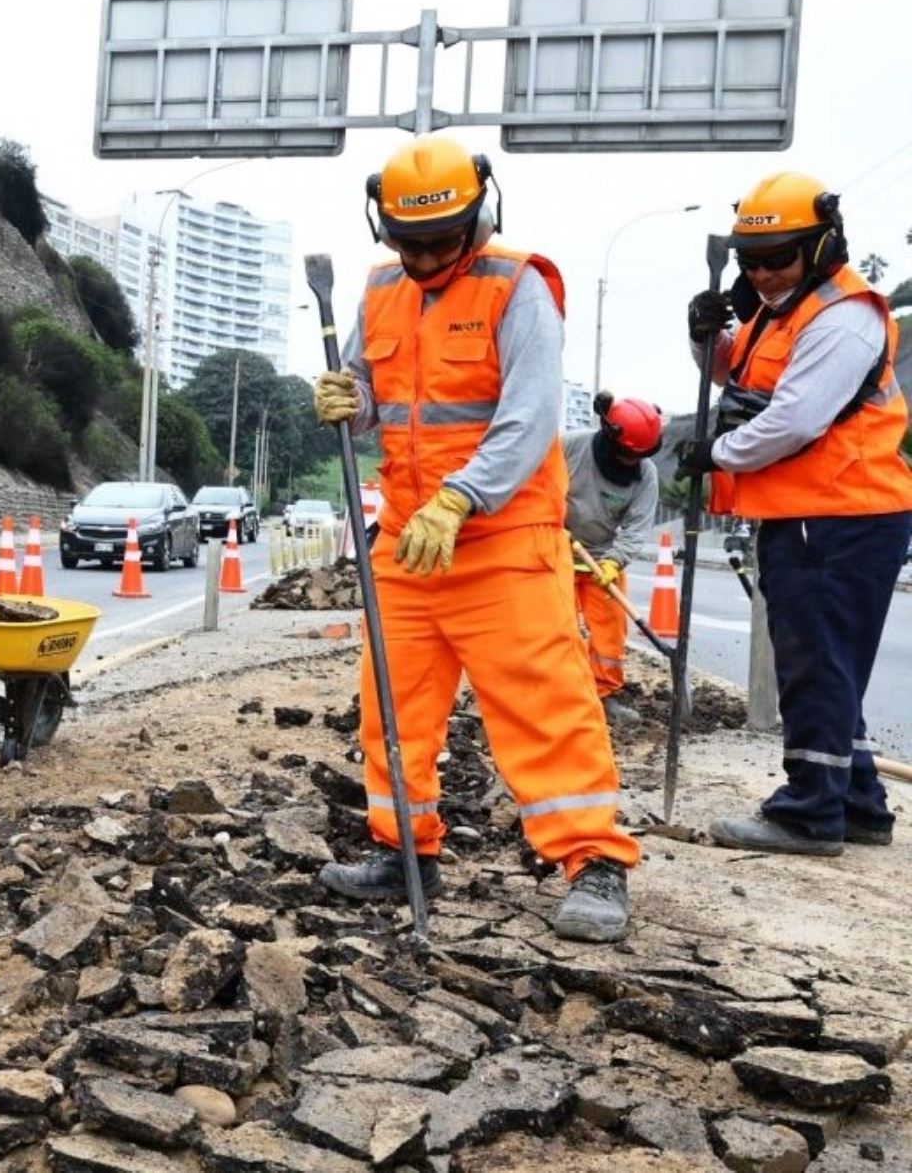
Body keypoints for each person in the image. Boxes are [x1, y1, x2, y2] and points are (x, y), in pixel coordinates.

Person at [313, 136, 640, 942]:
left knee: (543, 704)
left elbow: (529, 419)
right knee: (394, 707)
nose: (424, 257)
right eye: (408, 241)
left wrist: (460, 498)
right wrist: (344, 400)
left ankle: (594, 861)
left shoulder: (520, 286)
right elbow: (372, 400)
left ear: (480, 214)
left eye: (440, 240)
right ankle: (404, 851)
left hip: (498, 537)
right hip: (408, 541)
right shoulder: (380, 288)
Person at [677, 172, 912, 855]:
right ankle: (860, 804)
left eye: (777, 258)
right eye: (751, 261)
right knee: (830, 665)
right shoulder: (779, 312)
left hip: (841, 515)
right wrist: (705, 337)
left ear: (821, 246)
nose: (762, 273)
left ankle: (809, 813)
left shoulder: (843, 316)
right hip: (815, 513)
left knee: (814, 665)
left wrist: (717, 454)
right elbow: (734, 375)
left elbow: (795, 421)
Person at [564, 393, 663, 725]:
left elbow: (636, 529)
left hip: (601, 559)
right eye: (628, 455)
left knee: (610, 631)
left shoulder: (645, 475)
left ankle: (605, 694)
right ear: (610, 436)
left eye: (640, 457)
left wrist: (613, 561)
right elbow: (533, 485)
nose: (633, 463)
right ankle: (557, 695)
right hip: (553, 550)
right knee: (553, 628)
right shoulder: (569, 448)